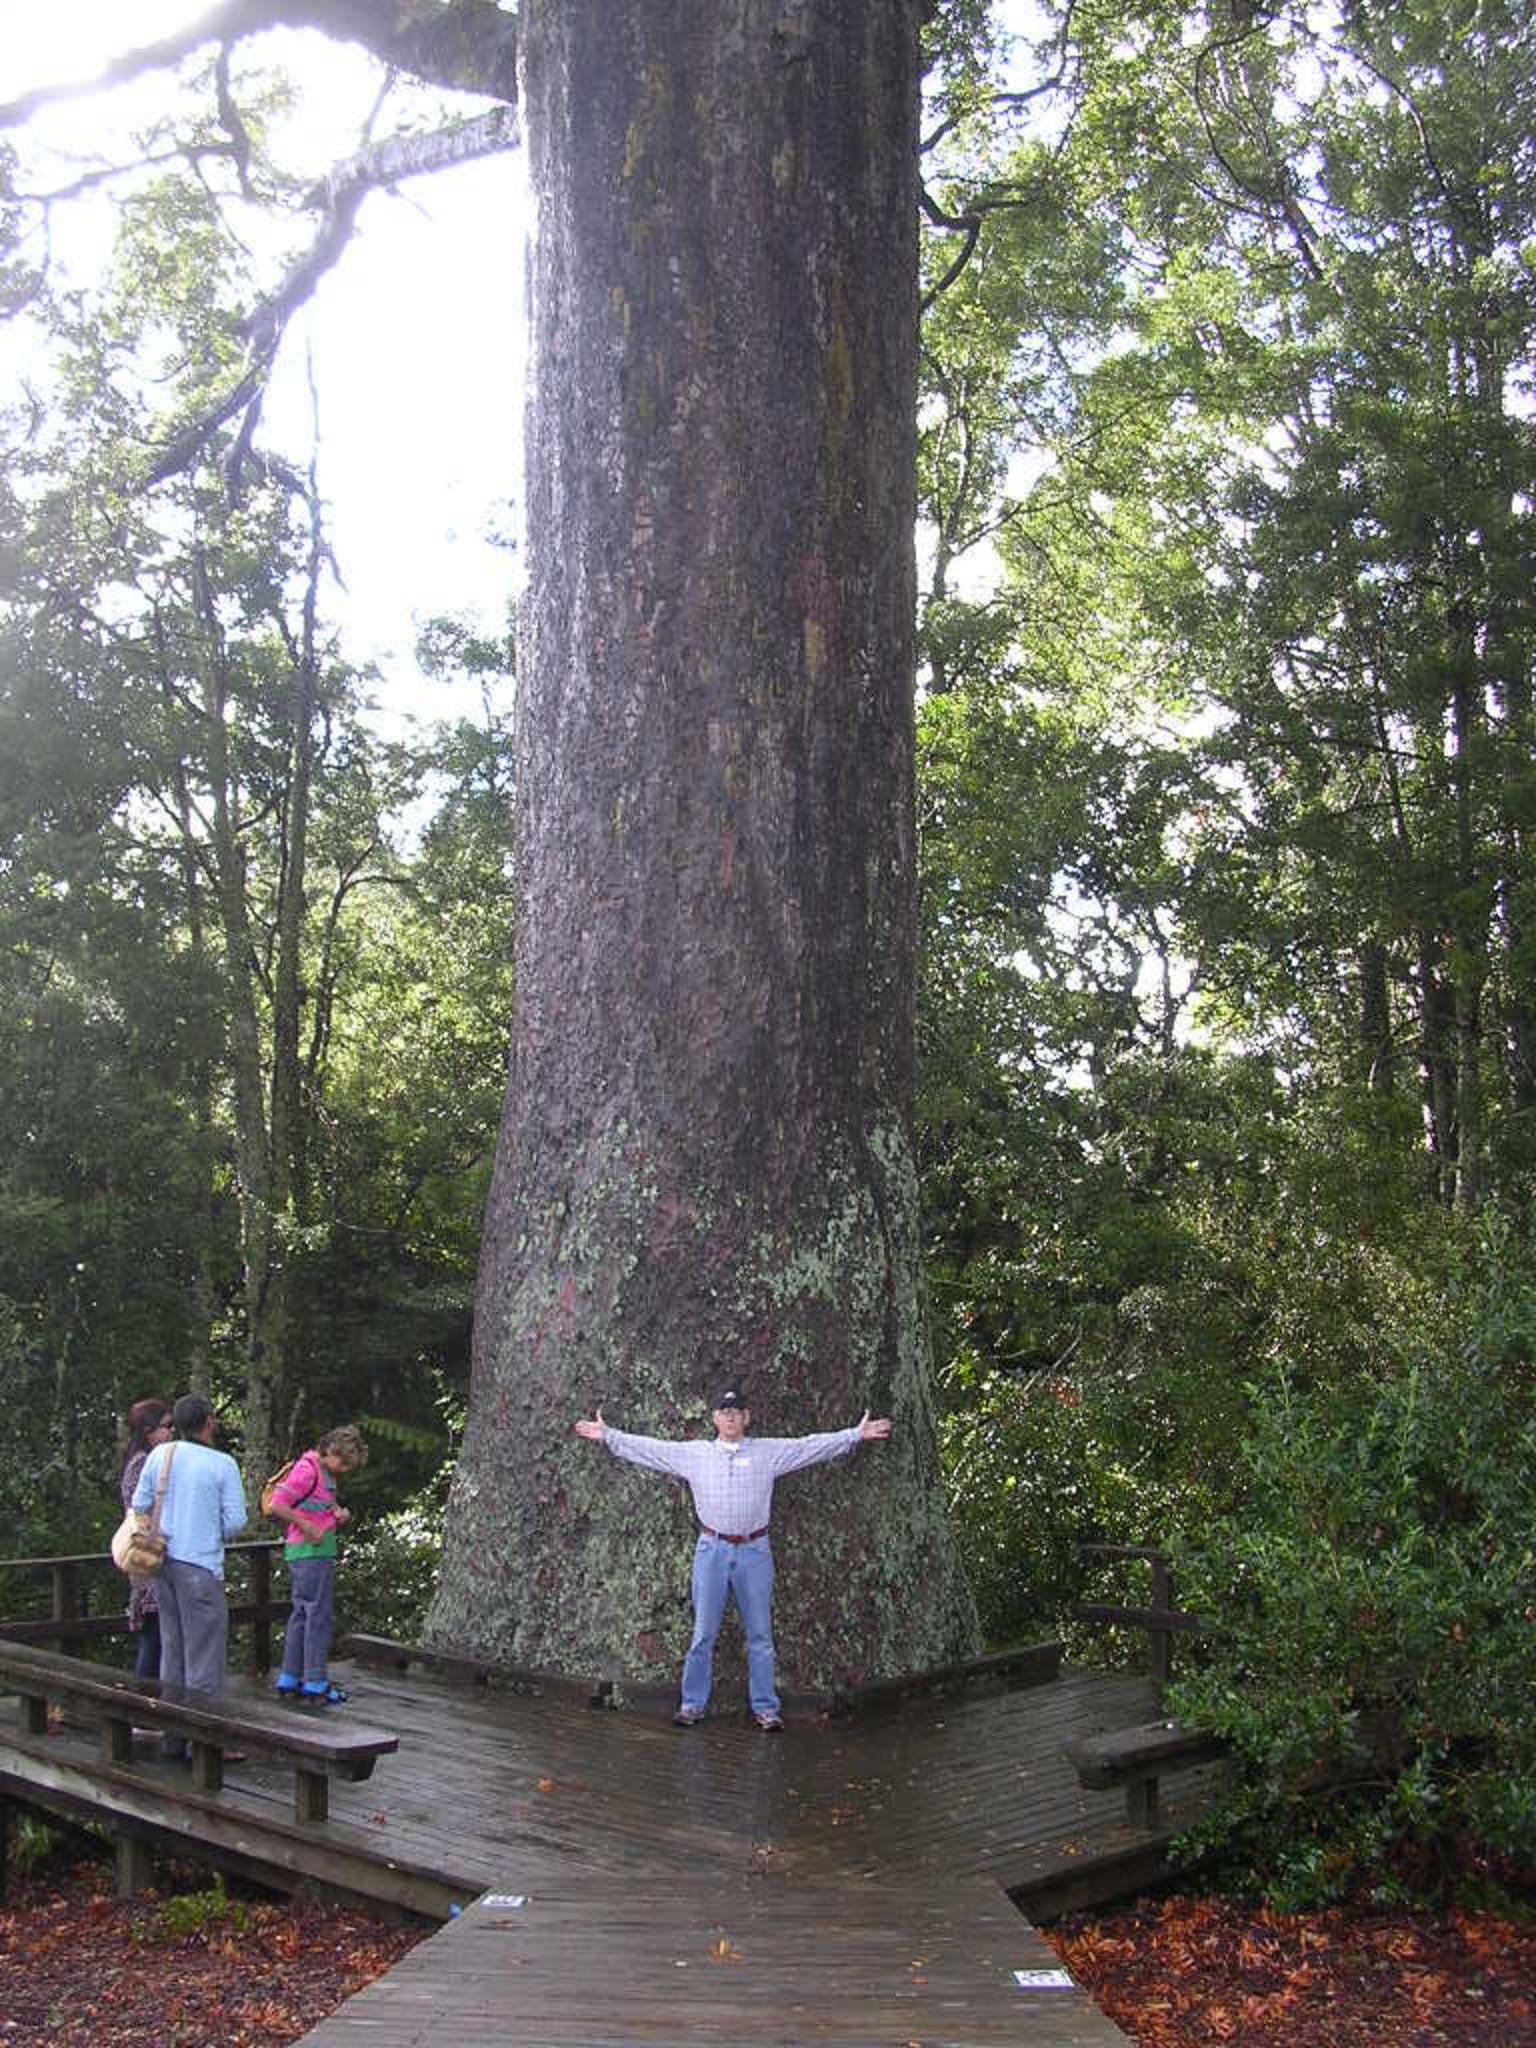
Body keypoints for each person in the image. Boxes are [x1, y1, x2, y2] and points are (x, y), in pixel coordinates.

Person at [574, 1385, 893, 1731]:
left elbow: (808, 1446)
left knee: (760, 1635)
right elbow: (652, 1450)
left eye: (737, 1412)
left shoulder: (767, 1453)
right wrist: (609, 1436)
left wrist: (853, 1435)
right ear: (714, 1418)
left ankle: (766, 1709)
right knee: (702, 1634)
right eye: (724, 1412)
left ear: (746, 1418)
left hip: (755, 1551)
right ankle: (692, 1704)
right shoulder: (694, 1454)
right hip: (712, 1550)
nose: (730, 1418)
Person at [131, 1392, 247, 1757]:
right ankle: (206, 1745)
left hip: (163, 1564)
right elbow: (236, 1522)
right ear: (209, 1421)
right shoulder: (222, 1464)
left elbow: (139, 1504)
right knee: (205, 1658)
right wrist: (204, 1522)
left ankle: (173, 1738)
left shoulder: (160, 1455)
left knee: (174, 1651)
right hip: (199, 1567)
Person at [267, 1423, 368, 1706]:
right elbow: (278, 1504)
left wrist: (336, 1513)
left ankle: (290, 1677)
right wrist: (306, 1526)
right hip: (309, 1553)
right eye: (344, 1462)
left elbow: (316, 1506)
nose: (345, 1469)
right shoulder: (308, 1469)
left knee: (302, 1613)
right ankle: (315, 1682)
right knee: (317, 1616)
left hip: (312, 1551)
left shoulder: (324, 1473)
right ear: (330, 1450)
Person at [118, 1397, 173, 1680]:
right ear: (149, 1429)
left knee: (157, 1636)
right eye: (166, 1426)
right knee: (153, 1635)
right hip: (146, 1551)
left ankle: (150, 1709)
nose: (170, 1432)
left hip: (150, 1551)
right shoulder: (143, 1463)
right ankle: (145, 1712)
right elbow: (143, 1510)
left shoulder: (144, 1459)